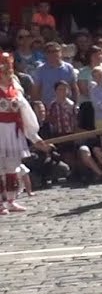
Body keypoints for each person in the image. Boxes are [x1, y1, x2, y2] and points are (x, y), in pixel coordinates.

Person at [0, 53, 43, 214]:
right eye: (5, 73)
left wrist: (34, 136)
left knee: (12, 167)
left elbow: (26, 113)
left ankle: (11, 200)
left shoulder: (16, 91)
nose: (8, 76)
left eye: (10, 72)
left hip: (13, 132)